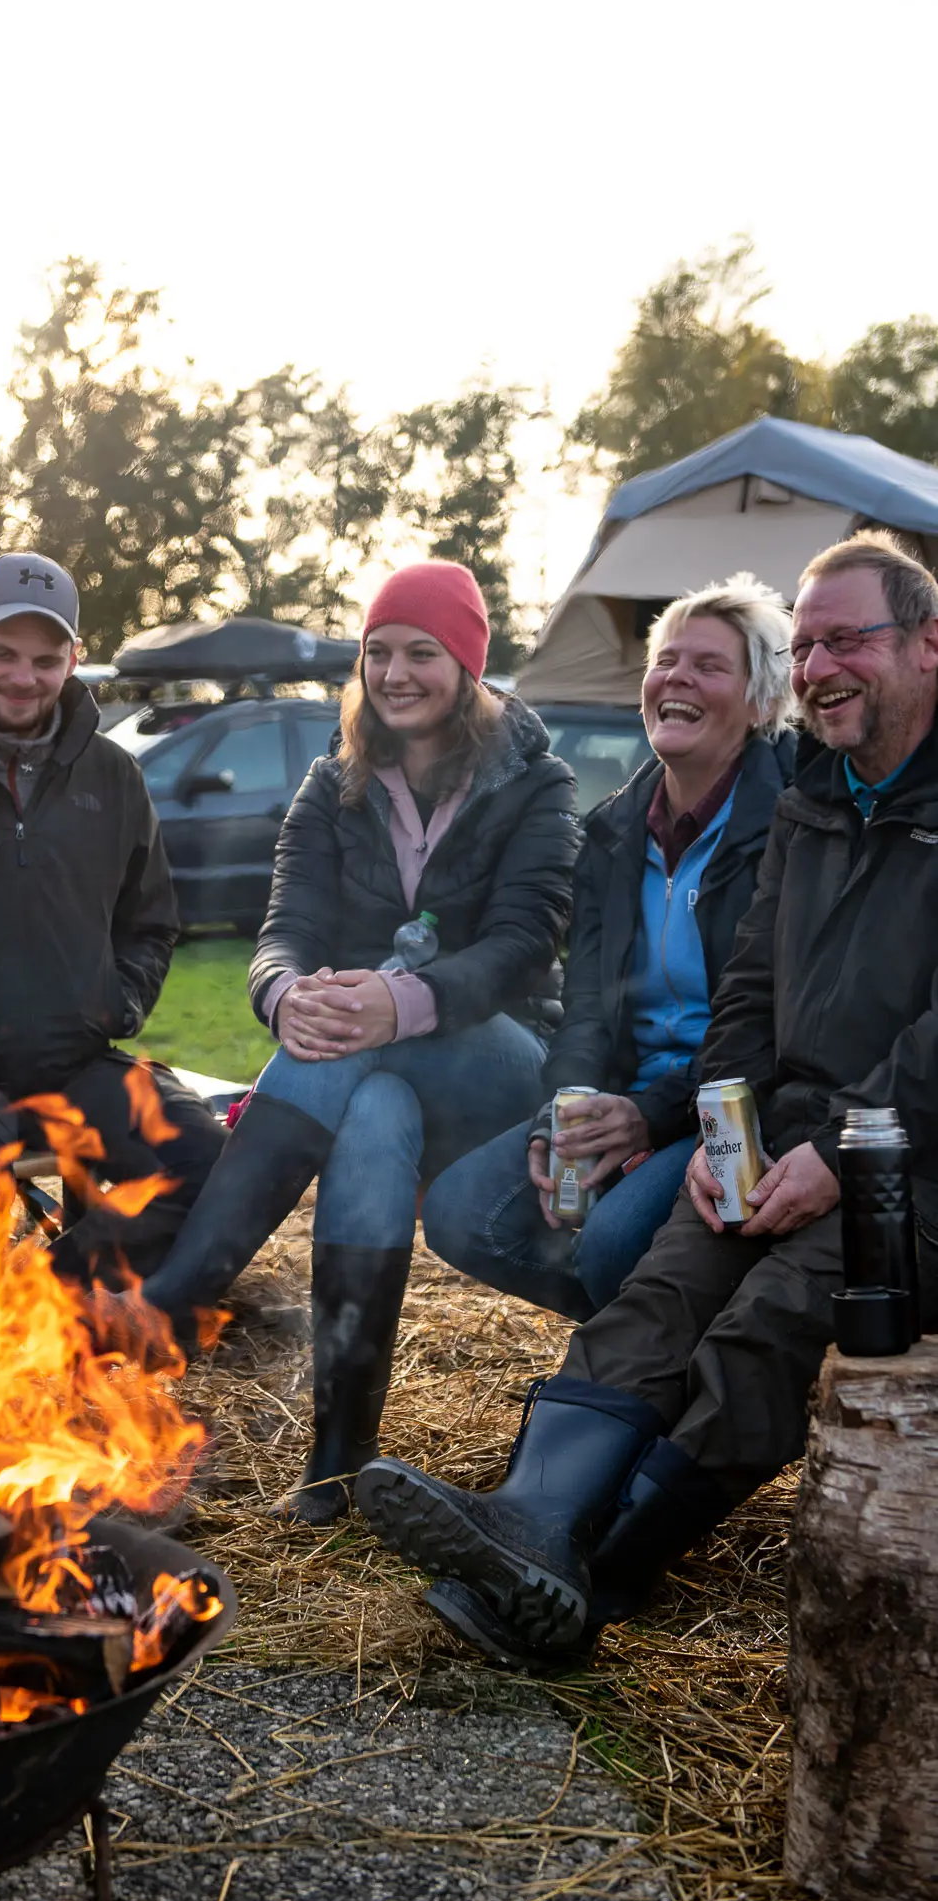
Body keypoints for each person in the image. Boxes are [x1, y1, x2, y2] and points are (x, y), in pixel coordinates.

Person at [355, 530, 938, 1669]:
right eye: (807, 643)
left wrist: (835, 1147)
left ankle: (596, 1573)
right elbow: (750, 994)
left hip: (908, 1161)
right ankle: (530, 1518)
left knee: (766, 1319)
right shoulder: (816, 800)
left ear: (926, 643)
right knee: (665, 1281)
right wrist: (723, 1131)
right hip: (785, 1136)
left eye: (845, 640)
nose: (819, 665)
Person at [140, 560, 581, 1521]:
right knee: (371, 1110)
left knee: (360, 1043)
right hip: (364, 1057)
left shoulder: (535, 784)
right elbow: (281, 930)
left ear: (466, 664)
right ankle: (340, 1454)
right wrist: (285, 995)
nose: (394, 672)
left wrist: (400, 1002)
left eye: (421, 652)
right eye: (377, 652)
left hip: (501, 1069)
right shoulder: (332, 781)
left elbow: (520, 945)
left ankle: (179, 1292)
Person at [0, 553, 226, 1338]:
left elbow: (151, 919)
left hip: (72, 1063)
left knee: (206, 1160)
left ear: (74, 661)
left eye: (45, 659)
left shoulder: (114, 776)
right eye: (3, 653)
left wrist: (115, 1004)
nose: (22, 677)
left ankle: (46, 1298)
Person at [421, 575, 795, 1321]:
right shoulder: (612, 831)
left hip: (737, 1101)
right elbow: (586, 1003)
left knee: (611, 1243)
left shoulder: (790, 822)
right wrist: (561, 1116)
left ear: (759, 704)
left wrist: (648, 1117)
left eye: (708, 667)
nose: (677, 677)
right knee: (463, 1213)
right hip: (633, 1096)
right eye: (665, 662)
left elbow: (775, 1016)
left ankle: (641, 1369)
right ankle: (646, 1346)